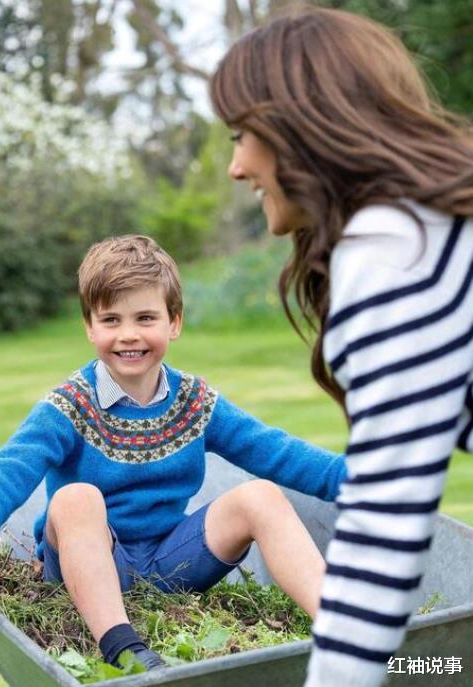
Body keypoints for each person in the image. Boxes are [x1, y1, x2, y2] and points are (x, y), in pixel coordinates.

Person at [0, 234, 346, 671]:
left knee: (260, 495)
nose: (128, 335)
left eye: (146, 317)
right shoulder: (69, 406)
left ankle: (340, 628)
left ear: (174, 322)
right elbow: (7, 473)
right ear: (89, 326)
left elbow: (277, 452)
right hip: (87, 566)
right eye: (111, 320)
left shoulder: (194, 401)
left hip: (172, 560)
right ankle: (124, 649)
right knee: (75, 498)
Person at [210, 5, 473, 687]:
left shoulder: (390, 256)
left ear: (300, 129)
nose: (237, 167)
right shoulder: (432, 227)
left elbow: (383, 534)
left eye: (243, 134)